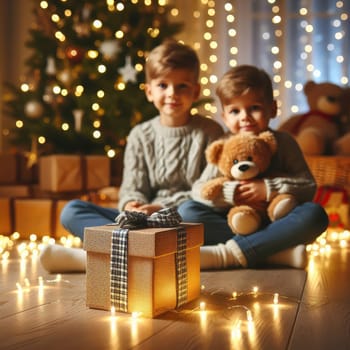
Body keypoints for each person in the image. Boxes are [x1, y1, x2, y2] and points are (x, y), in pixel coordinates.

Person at [39, 39, 224, 273]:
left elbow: (206, 191)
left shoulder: (211, 132)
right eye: (163, 85)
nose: (172, 94)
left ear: (196, 91)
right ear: (149, 91)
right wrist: (131, 205)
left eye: (182, 86)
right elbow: (132, 186)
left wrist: (159, 208)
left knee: (192, 212)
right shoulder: (140, 134)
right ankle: (146, 250)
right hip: (143, 221)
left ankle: (107, 254)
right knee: (72, 211)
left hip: (182, 217)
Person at [178, 65, 329, 270]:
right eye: (235, 111)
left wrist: (268, 189)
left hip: (277, 224)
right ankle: (271, 253)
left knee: (315, 214)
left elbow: (308, 186)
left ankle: (227, 254)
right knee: (187, 211)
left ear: (273, 108)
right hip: (237, 222)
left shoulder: (284, 142)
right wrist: (230, 194)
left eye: (254, 108)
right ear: (224, 117)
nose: (244, 117)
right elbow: (199, 190)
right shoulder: (224, 145)